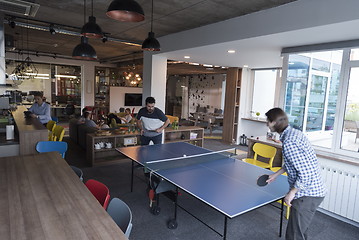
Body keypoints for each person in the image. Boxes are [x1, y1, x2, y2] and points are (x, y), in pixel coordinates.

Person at [265, 108, 326, 240]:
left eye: (268, 121)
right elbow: (292, 163)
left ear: (274, 122)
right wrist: (275, 175)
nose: (266, 124)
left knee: (294, 235)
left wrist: (291, 193)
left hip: (308, 194)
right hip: (312, 190)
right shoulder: (293, 133)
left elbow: (305, 173)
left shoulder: (289, 142)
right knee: (300, 230)